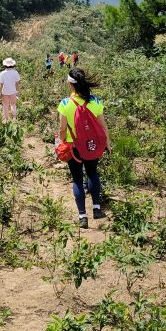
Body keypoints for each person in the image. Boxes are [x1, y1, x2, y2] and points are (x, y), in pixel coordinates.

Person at [57, 68, 108, 228]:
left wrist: (63, 141)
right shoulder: (96, 101)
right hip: (93, 145)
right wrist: (108, 143)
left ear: (70, 84)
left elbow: (62, 129)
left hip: (74, 147)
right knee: (92, 173)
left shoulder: (65, 104)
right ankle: (97, 209)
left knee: (78, 179)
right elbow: (103, 125)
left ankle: (82, 217)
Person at [0, 57, 20, 122]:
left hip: (5, 92)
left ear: (5, 65)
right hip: (13, 91)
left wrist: (0, 93)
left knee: (5, 105)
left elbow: (1, 84)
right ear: (13, 65)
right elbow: (17, 83)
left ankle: (6, 119)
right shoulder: (15, 72)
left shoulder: (2, 73)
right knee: (13, 104)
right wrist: (17, 92)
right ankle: (14, 118)